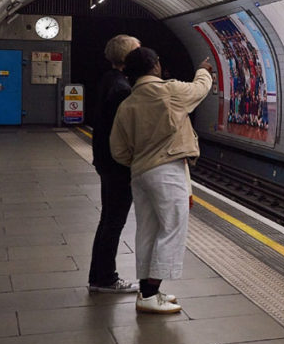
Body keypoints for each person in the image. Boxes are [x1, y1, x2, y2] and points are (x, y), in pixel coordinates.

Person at [110, 47, 213, 314]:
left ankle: (148, 292)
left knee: (148, 230)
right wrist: (204, 70)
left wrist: (140, 161)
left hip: (140, 173)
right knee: (172, 229)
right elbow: (200, 89)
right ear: (155, 66)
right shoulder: (169, 91)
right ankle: (149, 292)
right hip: (167, 170)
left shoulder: (127, 104)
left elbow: (118, 150)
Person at [88, 34, 142, 294]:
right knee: (113, 222)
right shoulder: (122, 89)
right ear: (129, 56)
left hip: (105, 161)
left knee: (107, 220)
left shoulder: (109, 80)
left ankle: (98, 276)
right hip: (117, 165)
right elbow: (124, 132)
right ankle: (106, 278)